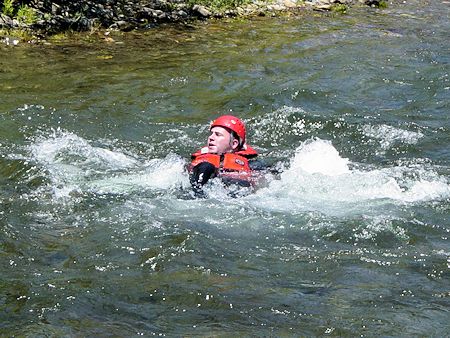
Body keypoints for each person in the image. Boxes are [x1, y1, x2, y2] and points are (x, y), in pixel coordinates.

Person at [189, 115, 260, 192]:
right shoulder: (201, 162)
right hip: (205, 186)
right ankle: (197, 193)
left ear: (234, 144)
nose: (211, 137)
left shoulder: (253, 165)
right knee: (206, 167)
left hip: (235, 193)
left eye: (218, 135)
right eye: (211, 134)